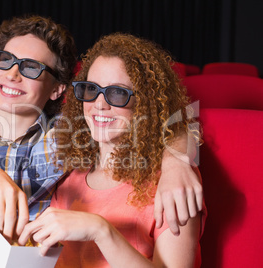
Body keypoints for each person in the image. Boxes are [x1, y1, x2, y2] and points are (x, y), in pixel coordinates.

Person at [0, 15, 202, 267]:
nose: (12, 74)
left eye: (30, 67)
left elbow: (165, 120)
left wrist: (177, 162)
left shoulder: (67, 142)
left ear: (57, 89)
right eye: (5, 60)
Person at [18, 33, 207, 267]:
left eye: (118, 93)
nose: (99, 104)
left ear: (145, 103)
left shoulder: (172, 183)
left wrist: (100, 230)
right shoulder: (67, 169)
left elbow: (180, 126)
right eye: (91, 89)